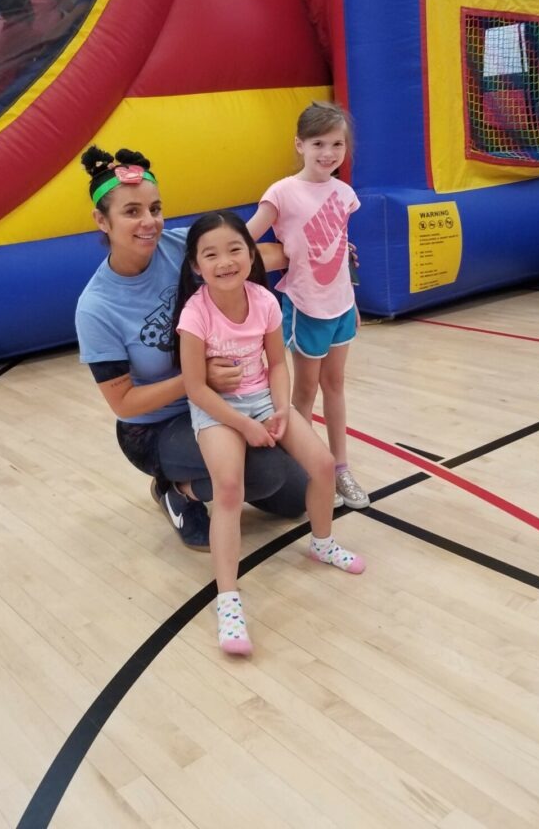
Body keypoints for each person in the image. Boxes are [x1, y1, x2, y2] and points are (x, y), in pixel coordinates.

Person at [75, 146, 309, 552]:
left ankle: (217, 477)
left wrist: (323, 258)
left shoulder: (180, 245)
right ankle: (177, 489)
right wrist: (197, 379)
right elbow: (125, 404)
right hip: (155, 427)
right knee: (266, 470)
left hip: (222, 401)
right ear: (102, 220)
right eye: (132, 212)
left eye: (155, 208)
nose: (149, 222)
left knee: (297, 496)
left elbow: (251, 255)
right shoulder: (97, 307)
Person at [175, 211, 366, 655]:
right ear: (195, 266)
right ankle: (227, 599)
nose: (225, 261)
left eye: (235, 249)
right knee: (228, 487)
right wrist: (242, 424)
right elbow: (195, 387)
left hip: (263, 398)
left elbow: (278, 364)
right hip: (218, 410)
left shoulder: (263, 299)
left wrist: (281, 410)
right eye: (211, 254)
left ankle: (323, 543)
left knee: (321, 465)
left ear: (251, 253)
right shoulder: (194, 313)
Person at [246, 101, 369, 510]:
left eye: (337, 144)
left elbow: (338, 245)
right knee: (303, 393)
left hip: (341, 307)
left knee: (335, 387)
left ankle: (339, 468)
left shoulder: (344, 193)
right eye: (318, 143)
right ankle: (299, 470)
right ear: (299, 144)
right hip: (305, 307)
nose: (329, 152)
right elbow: (245, 241)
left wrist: (348, 286)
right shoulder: (282, 192)